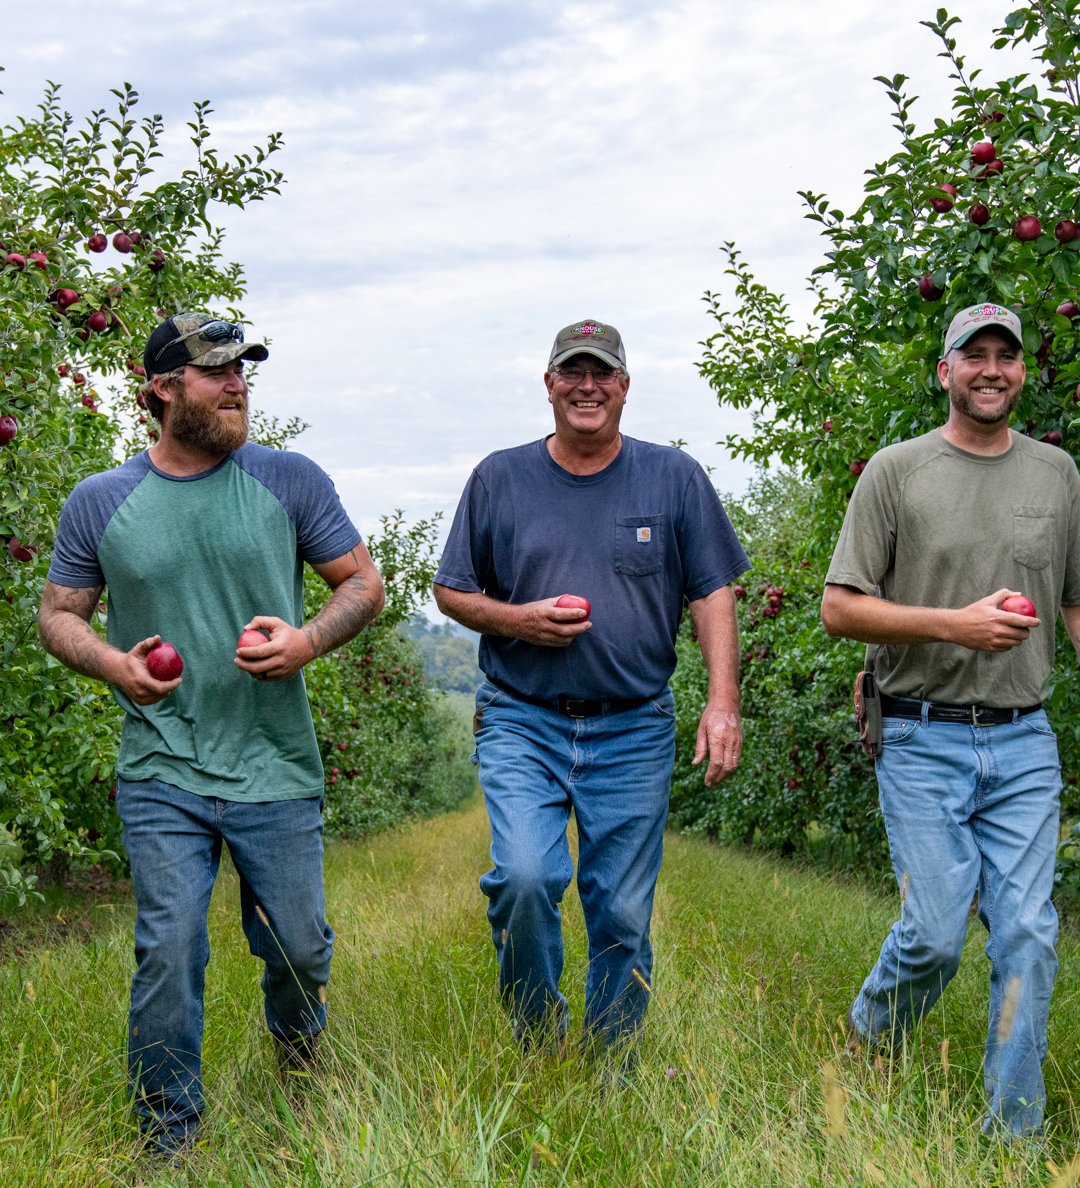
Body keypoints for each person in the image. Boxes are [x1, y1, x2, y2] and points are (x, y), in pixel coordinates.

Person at [38, 314, 385, 1157]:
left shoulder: (290, 480)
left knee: (298, 948)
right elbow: (57, 616)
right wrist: (114, 665)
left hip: (275, 761)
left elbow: (364, 585)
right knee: (169, 948)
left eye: (242, 372)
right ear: (163, 389)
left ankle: (300, 1066)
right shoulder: (101, 500)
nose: (237, 386)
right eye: (216, 373)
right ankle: (168, 1140)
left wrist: (305, 642)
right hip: (164, 764)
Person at [820, 302, 1080, 1136]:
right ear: (946, 372)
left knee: (1028, 937)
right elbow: (840, 609)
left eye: (1007, 355)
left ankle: (1013, 1138)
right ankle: (865, 1038)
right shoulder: (896, 472)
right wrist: (951, 623)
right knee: (933, 935)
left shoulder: (1055, 475)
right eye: (975, 356)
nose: (992, 369)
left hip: (1023, 736)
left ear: (1023, 371)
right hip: (920, 731)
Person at [433, 319, 749, 1058]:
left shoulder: (672, 477)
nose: (586, 386)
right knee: (523, 877)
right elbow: (450, 591)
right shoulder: (499, 478)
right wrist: (518, 620)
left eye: (601, 373)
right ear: (548, 385)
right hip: (522, 717)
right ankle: (539, 1039)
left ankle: (611, 1064)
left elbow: (713, 594)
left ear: (625, 387)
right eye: (571, 373)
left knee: (622, 912)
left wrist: (722, 701)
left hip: (633, 723)